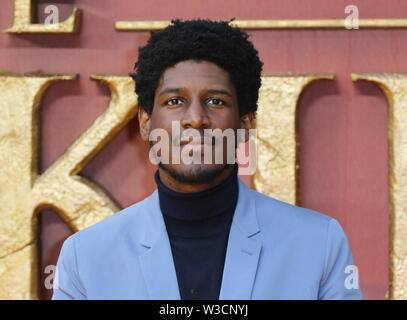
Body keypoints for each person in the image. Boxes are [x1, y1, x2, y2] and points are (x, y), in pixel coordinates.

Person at [52, 18, 362, 300]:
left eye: (216, 101)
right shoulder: (86, 257)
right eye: (175, 101)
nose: (196, 119)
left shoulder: (318, 244)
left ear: (244, 125)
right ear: (146, 122)